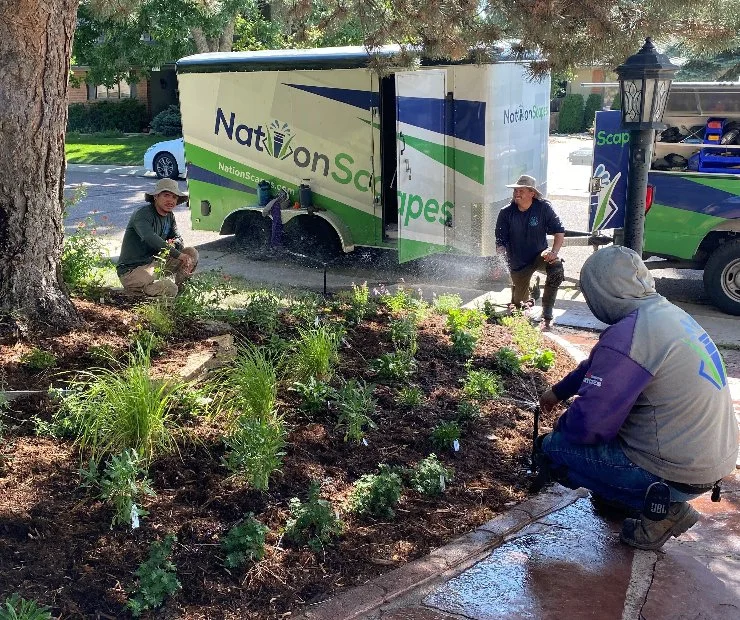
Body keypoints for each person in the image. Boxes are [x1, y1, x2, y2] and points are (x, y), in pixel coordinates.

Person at [537, 246, 738, 550]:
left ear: (599, 291)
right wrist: (558, 392)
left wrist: (559, 429)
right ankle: (646, 498)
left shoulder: (628, 336)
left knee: (555, 449)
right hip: (710, 461)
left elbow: (591, 424)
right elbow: (599, 364)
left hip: (675, 470)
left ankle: (663, 510)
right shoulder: (661, 315)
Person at [494, 174, 565, 330]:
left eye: (521, 190)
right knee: (519, 307)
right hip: (518, 263)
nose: (516, 193)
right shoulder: (505, 213)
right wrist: (501, 261)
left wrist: (554, 252)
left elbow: (559, 232)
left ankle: (547, 315)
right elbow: (500, 242)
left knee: (557, 268)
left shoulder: (544, 208)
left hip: (540, 255)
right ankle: (533, 291)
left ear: (532, 193)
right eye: (515, 190)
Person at [117, 178, 199, 297]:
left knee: (191, 253)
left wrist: (175, 244)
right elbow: (149, 237)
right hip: (132, 270)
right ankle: (135, 290)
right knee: (169, 288)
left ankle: (181, 294)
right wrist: (178, 254)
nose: (171, 200)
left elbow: (178, 239)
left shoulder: (170, 216)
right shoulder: (142, 214)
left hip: (154, 263)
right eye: (166, 195)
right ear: (156, 196)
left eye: (174, 197)